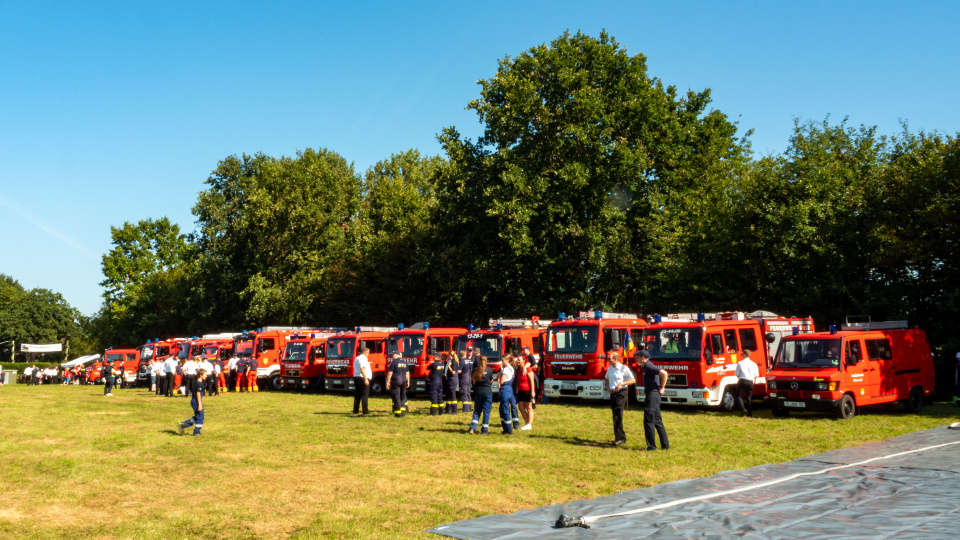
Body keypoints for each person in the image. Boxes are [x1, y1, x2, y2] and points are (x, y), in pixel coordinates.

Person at [637, 350, 669, 451]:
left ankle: (651, 446)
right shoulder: (645, 367)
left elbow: (663, 373)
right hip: (653, 396)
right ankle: (665, 446)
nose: (635, 358)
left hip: (652, 396)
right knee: (657, 422)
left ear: (643, 358)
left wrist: (662, 386)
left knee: (649, 421)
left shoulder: (649, 366)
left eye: (637, 357)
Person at [605, 352, 636, 446]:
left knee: (618, 414)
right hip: (613, 394)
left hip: (621, 393)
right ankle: (620, 436)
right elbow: (606, 378)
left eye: (609, 358)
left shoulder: (623, 368)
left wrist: (622, 384)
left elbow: (633, 380)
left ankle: (620, 439)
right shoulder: (610, 368)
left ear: (615, 359)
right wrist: (608, 387)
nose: (608, 360)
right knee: (615, 414)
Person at [468, 355, 494, 434]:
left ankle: (473, 427)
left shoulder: (475, 370)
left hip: (478, 392)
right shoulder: (489, 370)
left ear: (479, 361)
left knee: (477, 411)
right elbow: (491, 380)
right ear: (486, 361)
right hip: (487, 392)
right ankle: (484, 430)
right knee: (486, 412)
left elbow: (473, 381)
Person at [178, 368, 207, 436]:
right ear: (200, 375)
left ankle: (183, 424)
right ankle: (196, 432)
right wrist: (199, 405)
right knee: (200, 417)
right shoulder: (199, 384)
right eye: (205, 374)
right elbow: (198, 394)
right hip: (196, 401)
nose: (206, 376)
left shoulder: (197, 383)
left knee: (198, 416)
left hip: (195, 401)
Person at [734, 349, 759, 417]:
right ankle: (750, 413)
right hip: (750, 381)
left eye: (742, 354)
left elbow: (737, 373)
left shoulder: (740, 363)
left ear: (744, 354)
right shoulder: (754, 364)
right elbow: (756, 375)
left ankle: (743, 409)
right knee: (749, 398)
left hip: (742, 380)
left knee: (738, 396)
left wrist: (740, 375)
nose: (741, 355)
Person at [517, 352, 538, 431]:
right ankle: (526, 423)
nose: (517, 361)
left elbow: (532, 381)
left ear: (524, 361)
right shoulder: (519, 369)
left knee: (529, 408)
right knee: (521, 408)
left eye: (519, 360)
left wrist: (533, 392)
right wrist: (517, 387)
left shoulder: (528, 369)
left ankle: (529, 424)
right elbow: (518, 380)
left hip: (527, 390)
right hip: (520, 390)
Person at [498, 354, 518, 434]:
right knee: (510, 407)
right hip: (510, 389)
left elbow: (502, 381)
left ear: (508, 360)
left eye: (503, 360)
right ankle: (513, 425)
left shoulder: (506, 370)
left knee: (504, 409)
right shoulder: (512, 368)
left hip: (505, 388)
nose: (502, 362)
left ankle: (508, 429)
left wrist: (501, 373)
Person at [386, 352, 410, 418]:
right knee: (402, 397)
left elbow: (390, 373)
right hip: (404, 381)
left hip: (396, 381)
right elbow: (407, 373)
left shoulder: (393, 362)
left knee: (396, 397)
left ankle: (398, 413)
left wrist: (388, 381)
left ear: (397, 355)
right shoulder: (405, 362)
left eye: (393, 355)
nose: (392, 356)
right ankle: (402, 412)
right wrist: (408, 381)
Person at [353, 347, 371, 415]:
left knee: (357, 394)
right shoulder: (363, 359)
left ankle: (355, 410)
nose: (368, 354)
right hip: (362, 377)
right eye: (368, 353)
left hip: (356, 377)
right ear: (365, 353)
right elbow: (362, 369)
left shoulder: (356, 358)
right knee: (365, 395)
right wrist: (366, 379)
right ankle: (365, 411)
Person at [458, 347, 474, 413]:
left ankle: (465, 409)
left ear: (460, 355)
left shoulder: (462, 361)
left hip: (463, 379)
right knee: (468, 393)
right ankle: (469, 408)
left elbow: (459, 371)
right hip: (469, 378)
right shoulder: (469, 360)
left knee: (463, 393)